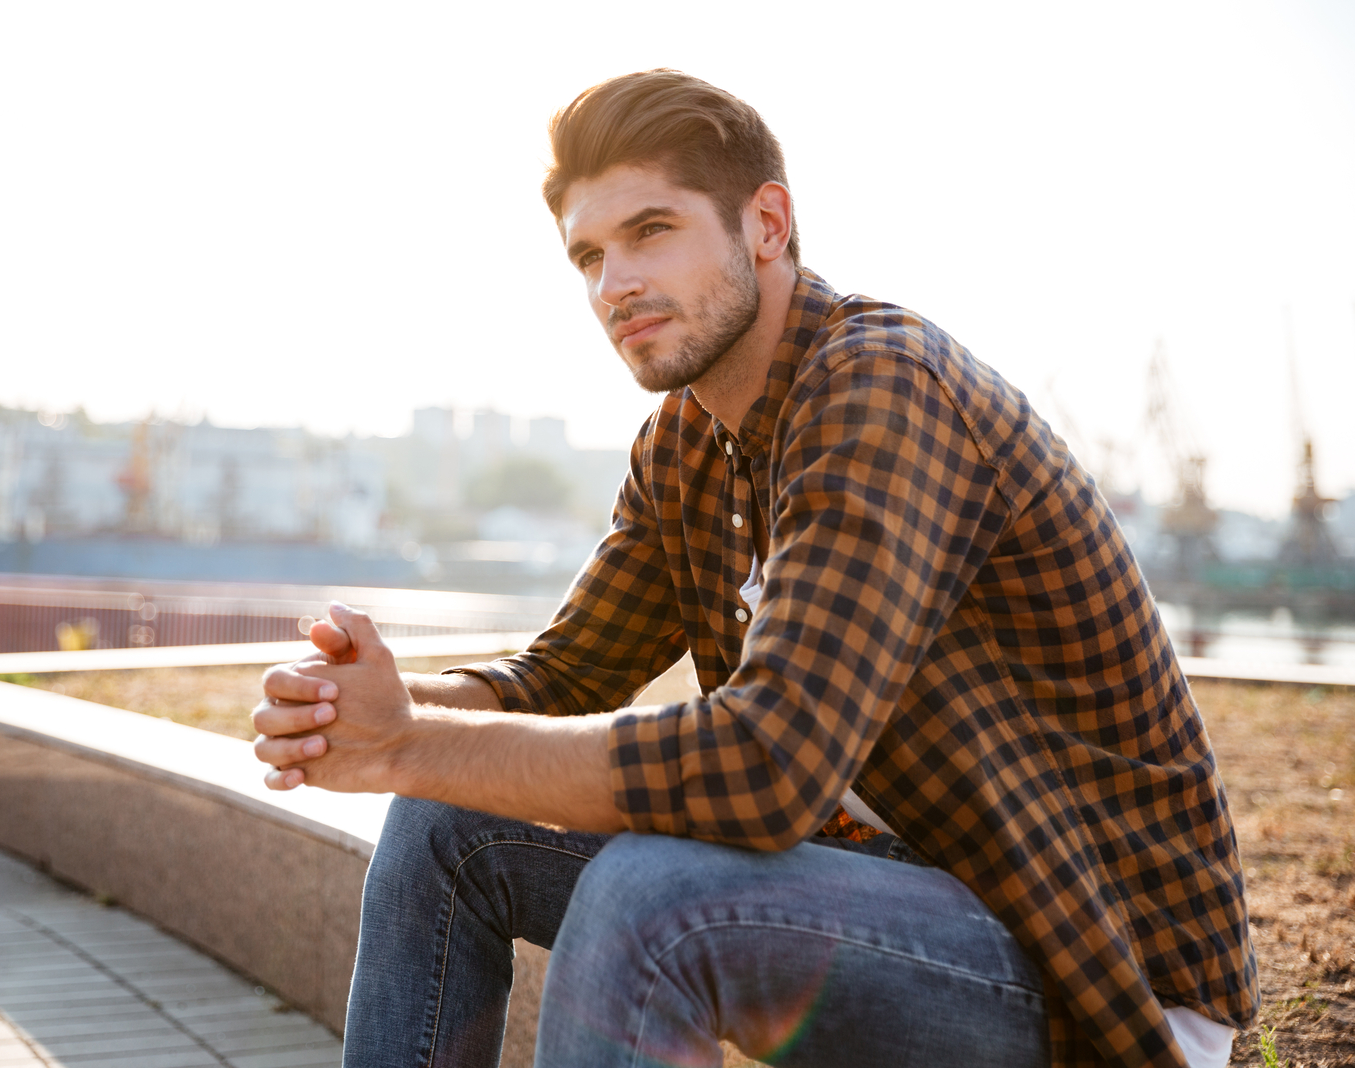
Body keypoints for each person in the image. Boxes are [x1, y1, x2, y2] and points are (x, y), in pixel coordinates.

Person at [251, 70, 1257, 1068]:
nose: (614, 286)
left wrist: (405, 742)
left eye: (652, 231)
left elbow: (767, 767)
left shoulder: (881, 386)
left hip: (1080, 956)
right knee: (443, 820)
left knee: (647, 899)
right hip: (879, 887)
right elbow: (558, 682)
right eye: (589, 256)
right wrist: (375, 709)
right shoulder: (684, 442)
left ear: (765, 223)